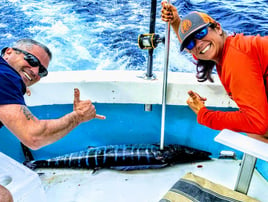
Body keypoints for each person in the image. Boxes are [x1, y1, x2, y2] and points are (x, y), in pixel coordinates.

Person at [0, 38, 106, 200]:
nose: (35, 71)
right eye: (31, 60)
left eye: (42, 71)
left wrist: (20, 87)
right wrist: (78, 117)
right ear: (9, 52)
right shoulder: (6, 77)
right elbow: (34, 137)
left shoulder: (8, 78)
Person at [161, 2, 268, 142]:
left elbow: (257, 123)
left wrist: (204, 114)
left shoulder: (236, 58)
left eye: (201, 33)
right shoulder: (226, 48)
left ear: (217, 28)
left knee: (255, 132)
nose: (198, 44)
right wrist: (176, 22)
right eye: (190, 43)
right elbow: (198, 49)